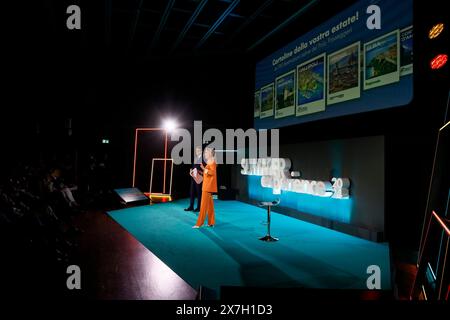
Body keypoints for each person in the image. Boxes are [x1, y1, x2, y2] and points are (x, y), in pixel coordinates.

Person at [193, 147, 217, 228]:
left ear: (210, 153)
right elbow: (207, 174)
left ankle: (199, 224)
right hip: (207, 185)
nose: (205, 154)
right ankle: (211, 222)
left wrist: (203, 168)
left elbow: (212, 173)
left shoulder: (212, 161)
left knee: (203, 206)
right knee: (210, 206)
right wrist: (198, 172)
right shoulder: (210, 161)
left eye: (206, 152)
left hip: (207, 187)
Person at [185, 146, 204, 212]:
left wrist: (198, 171)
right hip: (193, 178)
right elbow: (193, 167)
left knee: (199, 193)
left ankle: (199, 207)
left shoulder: (203, 159)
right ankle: (191, 206)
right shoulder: (195, 158)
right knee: (192, 192)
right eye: (196, 151)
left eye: (198, 150)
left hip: (199, 178)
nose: (197, 152)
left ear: (201, 151)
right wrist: (191, 171)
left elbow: (203, 168)